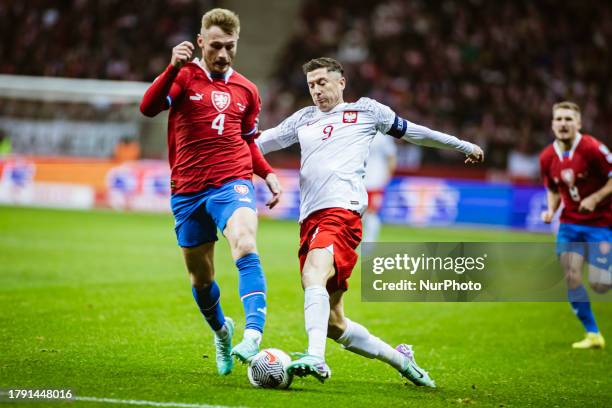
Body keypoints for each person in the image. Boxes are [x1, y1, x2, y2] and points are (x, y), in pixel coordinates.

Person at [256, 57, 484, 386]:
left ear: (341, 82)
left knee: (313, 274)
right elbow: (260, 142)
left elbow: (415, 133)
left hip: (342, 213)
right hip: (310, 219)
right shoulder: (303, 119)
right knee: (335, 323)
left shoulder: (366, 111)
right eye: (311, 85)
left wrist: (460, 144)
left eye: (322, 83)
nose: (316, 91)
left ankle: (315, 357)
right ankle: (402, 361)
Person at [140, 8, 282, 375]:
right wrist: (171, 67)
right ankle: (222, 332)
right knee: (201, 280)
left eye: (229, 47)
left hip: (231, 182)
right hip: (187, 191)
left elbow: (248, 140)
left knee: (245, 243)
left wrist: (266, 173)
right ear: (201, 42)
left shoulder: (247, 90)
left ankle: (252, 334)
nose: (222, 54)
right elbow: (148, 107)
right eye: (215, 46)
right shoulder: (185, 77)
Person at [540, 101, 611, 349]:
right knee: (571, 276)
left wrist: (594, 198)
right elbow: (553, 188)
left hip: (601, 223)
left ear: (579, 124)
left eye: (569, 119)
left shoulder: (592, 149)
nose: (563, 124)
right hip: (569, 223)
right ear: (552, 124)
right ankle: (593, 334)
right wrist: (551, 210)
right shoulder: (547, 156)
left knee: (601, 285)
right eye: (558, 119)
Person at [363, 132, 397, 243]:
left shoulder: (384, 136)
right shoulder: (359, 130)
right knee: (358, 213)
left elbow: (392, 157)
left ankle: (369, 242)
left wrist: (386, 178)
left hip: (375, 180)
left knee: (372, 212)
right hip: (358, 180)